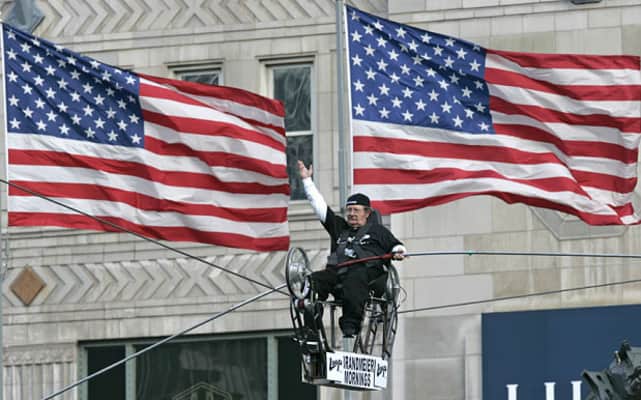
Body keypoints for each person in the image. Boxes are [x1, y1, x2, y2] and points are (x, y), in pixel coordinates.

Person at [297, 160, 406, 338]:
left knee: (355, 278)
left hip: (368, 275)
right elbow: (319, 206)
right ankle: (311, 328)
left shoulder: (377, 231)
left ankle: (350, 324)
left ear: (367, 213)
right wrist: (307, 181)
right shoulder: (339, 227)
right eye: (349, 210)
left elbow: (396, 245)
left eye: (356, 210)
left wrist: (399, 251)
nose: (352, 214)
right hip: (338, 273)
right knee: (313, 280)